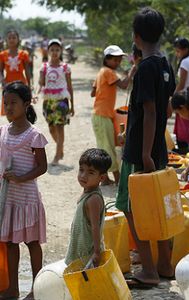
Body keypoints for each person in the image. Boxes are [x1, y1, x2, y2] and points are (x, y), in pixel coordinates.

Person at [116, 7, 176, 288]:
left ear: (136, 36)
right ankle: (165, 263)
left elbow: (151, 111)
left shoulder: (144, 69)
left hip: (141, 151)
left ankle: (149, 269)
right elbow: (166, 108)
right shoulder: (165, 64)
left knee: (132, 208)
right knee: (158, 207)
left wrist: (143, 152)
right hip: (158, 149)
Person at [0, 81, 48, 299]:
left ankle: (37, 290)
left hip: (27, 199)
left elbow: (42, 166)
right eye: (5, 103)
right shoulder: (2, 131)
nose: (8, 107)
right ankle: (12, 289)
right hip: (8, 199)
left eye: (13, 103)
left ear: (27, 104)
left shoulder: (34, 135)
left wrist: (20, 178)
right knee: (10, 243)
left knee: (32, 243)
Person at [91, 45, 135, 185]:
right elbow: (123, 85)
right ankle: (117, 179)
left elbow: (93, 92)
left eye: (119, 60)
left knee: (104, 146)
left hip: (100, 114)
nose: (117, 62)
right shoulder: (108, 72)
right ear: (107, 59)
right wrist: (132, 72)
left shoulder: (102, 72)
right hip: (102, 115)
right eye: (115, 60)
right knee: (108, 148)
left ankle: (105, 179)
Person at [65, 148, 112, 267]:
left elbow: (95, 227)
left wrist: (96, 252)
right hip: (81, 248)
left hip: (89, 253)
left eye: (90, 172)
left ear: (101, 178)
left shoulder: (93, 199)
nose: (83, 176)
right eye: (81, 170)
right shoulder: (87, 193)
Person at [38, 38, 74, 166]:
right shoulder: (44, 67)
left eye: (57, 50)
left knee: (60, 128)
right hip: (48, 101)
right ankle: (61, 149)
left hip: (62, 101)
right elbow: (41, 83)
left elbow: (70, 87)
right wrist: (38, 87)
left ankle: (57, 156)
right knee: (51, 128)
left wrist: (72, 105)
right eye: (52, 50)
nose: (54, 52)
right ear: (48, 51)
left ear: (61, 51)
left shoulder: (65, 67)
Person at [0, 30, 31, 115]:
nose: (11, 40)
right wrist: (2, 80)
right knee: (9, 111)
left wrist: (30, 86)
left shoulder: (24, 54)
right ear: (6, 40)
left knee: (21, 111)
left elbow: (27, 71)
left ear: (18, 39)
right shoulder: (2, 55)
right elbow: (0, 71)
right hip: (8, 86)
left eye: (14, 37)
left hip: (21, 85)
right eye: (9, 38)